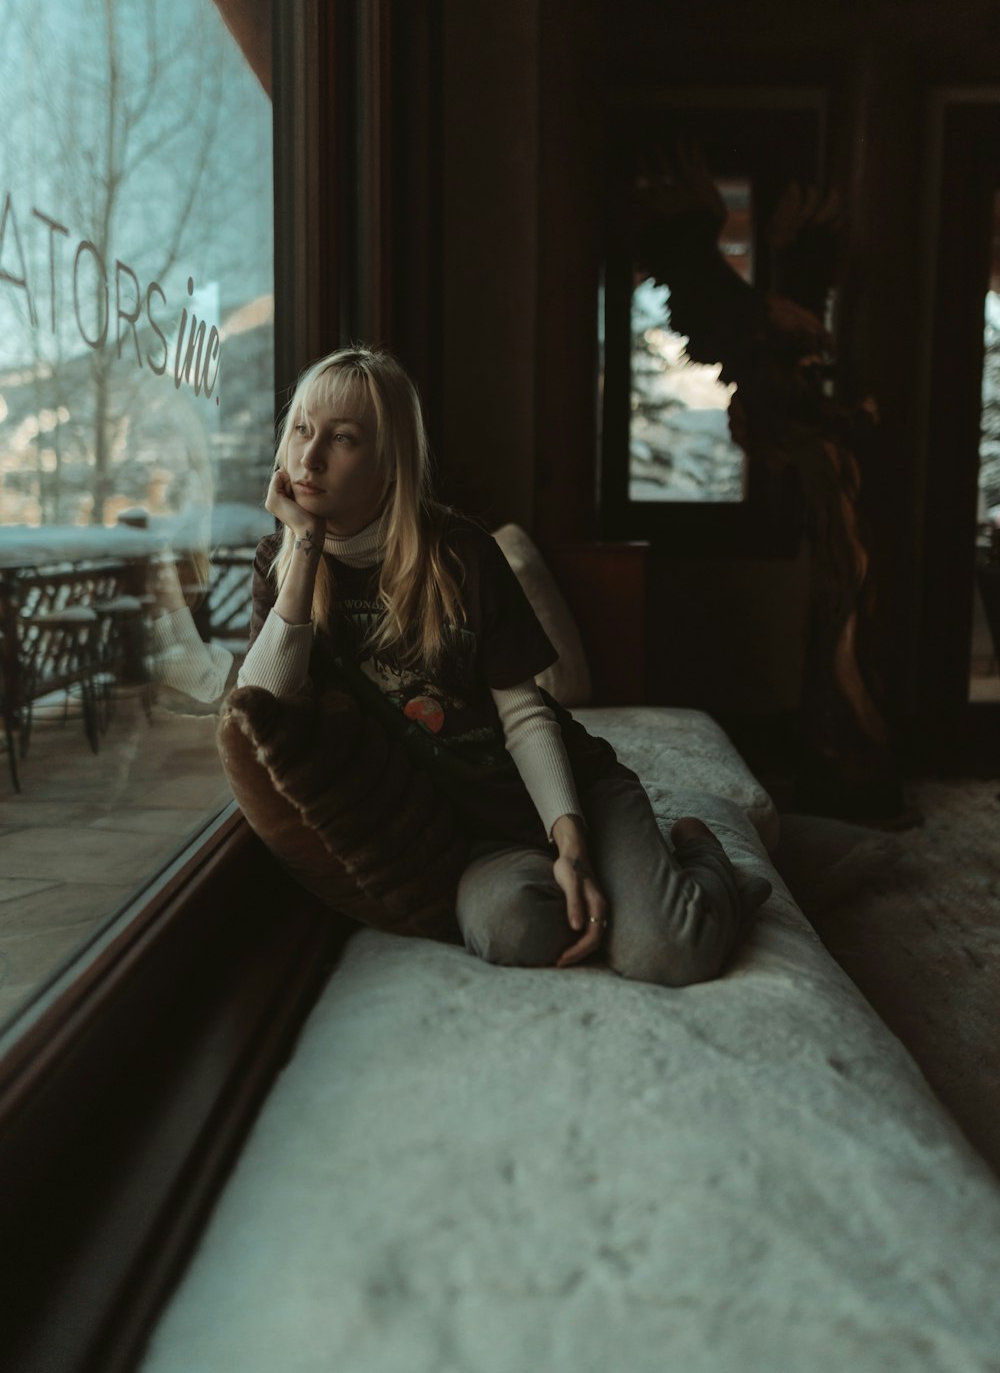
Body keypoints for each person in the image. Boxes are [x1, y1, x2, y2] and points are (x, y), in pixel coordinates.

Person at [237, 346, 771, 986]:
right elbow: (261, 704)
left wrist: (571, 843)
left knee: (666, 953)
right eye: (301, 429)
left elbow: (524, 713)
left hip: (577, 793)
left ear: (388, 464)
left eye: (342, 438)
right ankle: (630, 888)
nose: (309, 456)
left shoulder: (461, 554)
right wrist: (304, 545)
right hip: (478, 838)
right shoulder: (282, 561)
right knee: (510, 929)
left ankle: (701, 855)